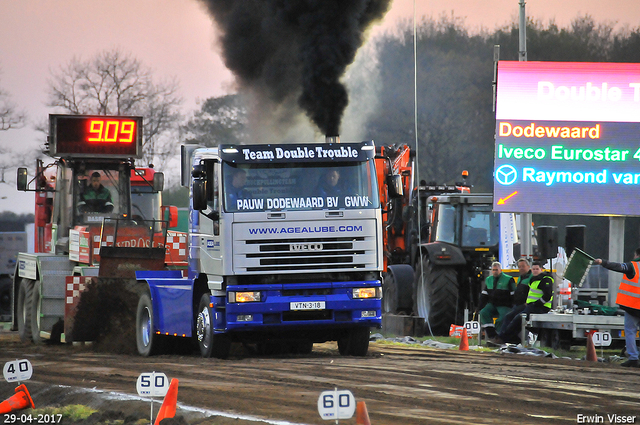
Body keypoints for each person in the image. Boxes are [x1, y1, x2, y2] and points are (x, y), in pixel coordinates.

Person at [594, 249, 640, 368]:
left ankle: (633, 358)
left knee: (630, 331)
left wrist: (602, 262)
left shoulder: (633, 266)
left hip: (633, 306)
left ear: (637, 255)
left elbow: (618, 266)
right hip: (634, 306)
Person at [490, 261, 553, 345]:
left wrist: (537, 304)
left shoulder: (546, 279)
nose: (535, 271)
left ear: (541, 269)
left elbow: (547, 295)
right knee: (509, 316)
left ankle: (503, 339)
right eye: (533, 269)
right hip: (530, 305)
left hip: (540, 307)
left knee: (518, 318)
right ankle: (505, 338)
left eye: (537, 269)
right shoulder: (533, 279)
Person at [478, 262, 516, 339]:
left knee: (502, 319)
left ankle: (499, 336)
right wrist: (479, 307)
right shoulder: (489, 279)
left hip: (505, 304)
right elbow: (484, 294)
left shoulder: (508, 279)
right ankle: (492, 335)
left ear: (500, 270)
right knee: (483, 313)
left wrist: (514, 306)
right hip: (492, 304)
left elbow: (514, 294)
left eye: (496, 270)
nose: (495, 272)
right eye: (493, 270)